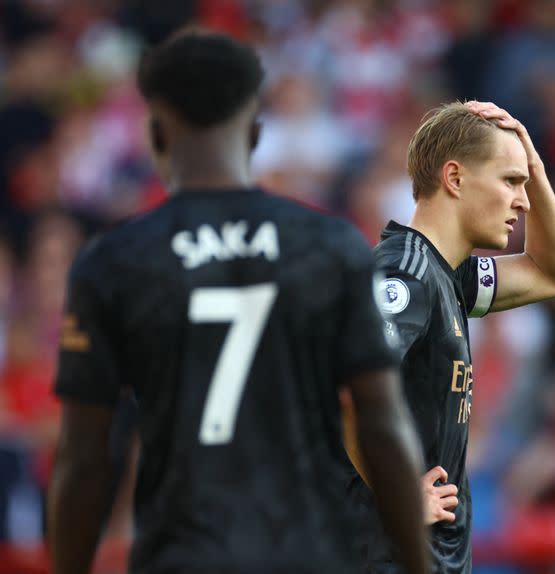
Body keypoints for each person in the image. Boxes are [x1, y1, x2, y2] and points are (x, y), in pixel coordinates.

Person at [47, 29, 428, 574]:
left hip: (182, 557)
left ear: (156, 133)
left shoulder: (114, 263)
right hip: (311, 555)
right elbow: (383, 425)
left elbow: (83, 460)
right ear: (254, 132)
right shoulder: (330, 247)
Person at [343, 101, 555, 572]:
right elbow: (345, 384)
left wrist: (532, 163)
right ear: (454, 178)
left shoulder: (451, 278)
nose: (524, 200)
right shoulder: (406, 275)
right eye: (510, 181)